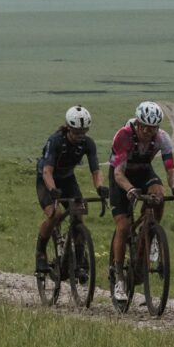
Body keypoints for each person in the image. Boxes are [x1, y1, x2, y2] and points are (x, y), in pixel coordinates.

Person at [108, 101, 174, 295]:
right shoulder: (123, 136)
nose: (148, 132)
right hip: (121, 175)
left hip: (143, 171)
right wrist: (130, 189)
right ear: (137, 124)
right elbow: (118, 173)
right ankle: (119, 277)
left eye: (153, 129)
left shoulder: (162, 138)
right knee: (123, 227)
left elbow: (170, 168)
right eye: (145, 128)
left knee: (158, 195)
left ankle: (151, 233)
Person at [35, 106, 107, 275]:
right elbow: (47, 171)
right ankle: (40, 253)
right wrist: (53, 190)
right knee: (56, 215)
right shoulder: (56, 141)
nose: (79, 136)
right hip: (46, 179)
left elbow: (95, 170)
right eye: (76, 132)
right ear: (68, 127)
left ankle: (80, 260)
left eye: (83, 132)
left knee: (79, 215)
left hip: (67, 179)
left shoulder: (88, 144)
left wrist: (100, 188)